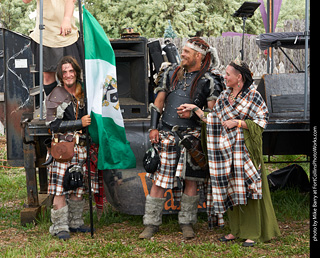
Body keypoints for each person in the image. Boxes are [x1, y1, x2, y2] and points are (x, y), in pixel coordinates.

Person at [180, 59, 281, 246]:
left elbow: (262, 120)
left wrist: (239, 123)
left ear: (239, 77)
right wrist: (194, 109)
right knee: (231, 189)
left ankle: (253, 232)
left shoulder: (253, 95)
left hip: (245, 151)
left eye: (227, 74)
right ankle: (236, 230)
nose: (224, 77)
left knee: (249, 190)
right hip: (226, 153)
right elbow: (213, 119)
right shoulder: (225, 95)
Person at [139, 37, 224, 240]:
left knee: (191, 182)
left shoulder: (210, 80)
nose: (182, 54)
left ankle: (187, 223)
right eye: (183, 51)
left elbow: (212, 116)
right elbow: (158, 102)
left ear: (198, 56)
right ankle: (151, 223)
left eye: (186, 52)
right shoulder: (171, 72)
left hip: (192, 138)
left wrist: (194, 112)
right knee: (159, 181)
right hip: (167, 134)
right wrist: (153, 128)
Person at [45, 56, 93, 240]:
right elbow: (52, 124)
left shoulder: (82, 93)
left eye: (71, 71)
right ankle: (60, 226)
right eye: (64, 72)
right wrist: (78, 123)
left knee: (77, 186)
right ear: (60, 75)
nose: (68, 75)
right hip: (63, 149)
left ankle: (75, 223)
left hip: (81, 147)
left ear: (76, 72)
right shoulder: (56, 95)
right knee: (59, 189)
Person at [22, 0, 83, 95]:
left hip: (66, 34)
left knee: (71, 73)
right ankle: (53, 106)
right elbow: (26, 1)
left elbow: (70, 1)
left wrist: (66, 19)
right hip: (45, 34)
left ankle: (74, 107)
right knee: (47, 76)